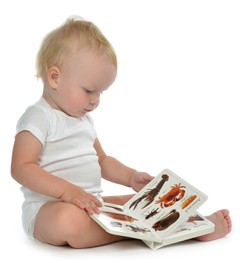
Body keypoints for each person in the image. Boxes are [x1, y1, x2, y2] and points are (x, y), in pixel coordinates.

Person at [11, 17, 232, 249]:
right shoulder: (39, 116)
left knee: (145, 203)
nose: (95, 101)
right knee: (69, 221)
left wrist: (130, 177)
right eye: (89, 90)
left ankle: (197, 224)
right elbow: (21, 167)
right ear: (55, 77)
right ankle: (144, 231)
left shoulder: (83, 120)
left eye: (101, 93)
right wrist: (67, 191)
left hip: (91, 205)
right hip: (47, 211)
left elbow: (102, 161)